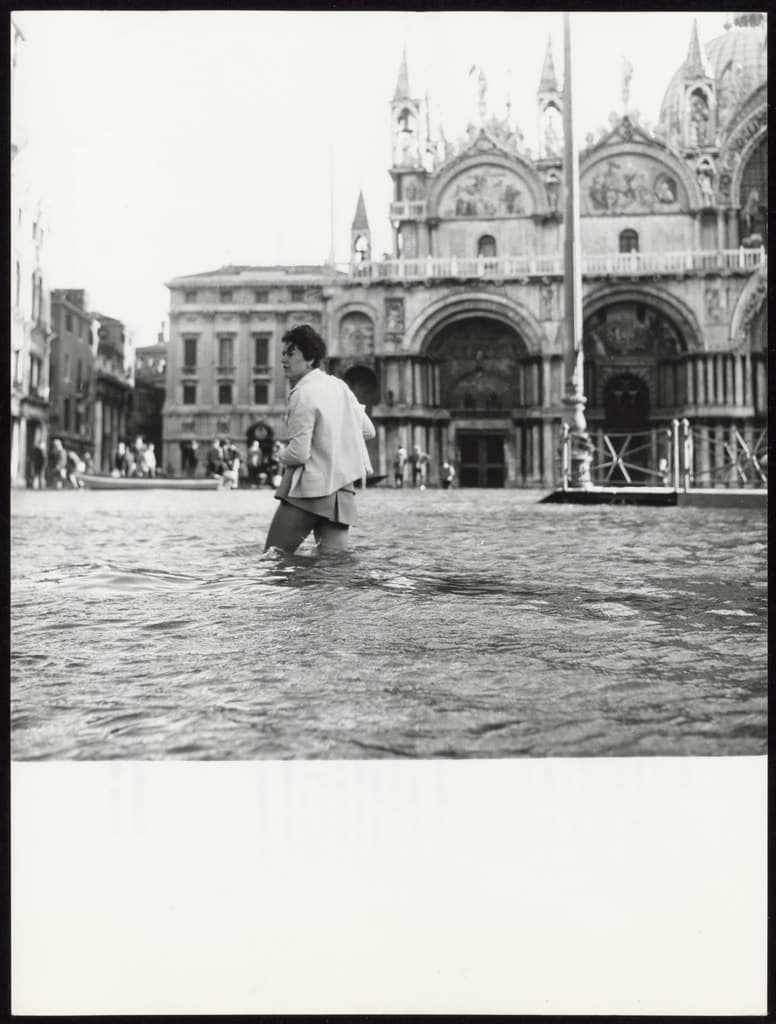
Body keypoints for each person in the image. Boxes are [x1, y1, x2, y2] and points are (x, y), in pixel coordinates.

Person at [264, 323, 375, 555]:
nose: (284, 359)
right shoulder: (340, 386)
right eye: (283, 353)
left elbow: (298, 453)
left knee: (274, 559)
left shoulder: (302, 392)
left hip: (308, 492)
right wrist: (334, 442)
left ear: (310, 359)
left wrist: (277, 454)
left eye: (291, 353)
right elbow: (368, 431)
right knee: (333, 571)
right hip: (342, 492)